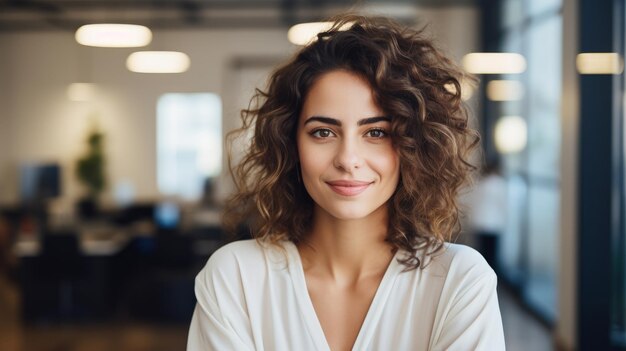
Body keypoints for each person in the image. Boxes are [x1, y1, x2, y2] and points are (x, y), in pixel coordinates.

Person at [187, 14, 505, 351]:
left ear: (414, 146)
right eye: (323, 132)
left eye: (376, 132)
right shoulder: (236, 277)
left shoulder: (459, 280)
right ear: (291, 143)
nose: (348, 158)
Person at [464, 159, 508, 275]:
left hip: (479, 223)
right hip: (493, 224)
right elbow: (503, 204)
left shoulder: (480, 183)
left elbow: (472, 203)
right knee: (492, 255)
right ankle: (491, 279)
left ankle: (482, 276)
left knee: (482, 253)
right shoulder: (498, 183)